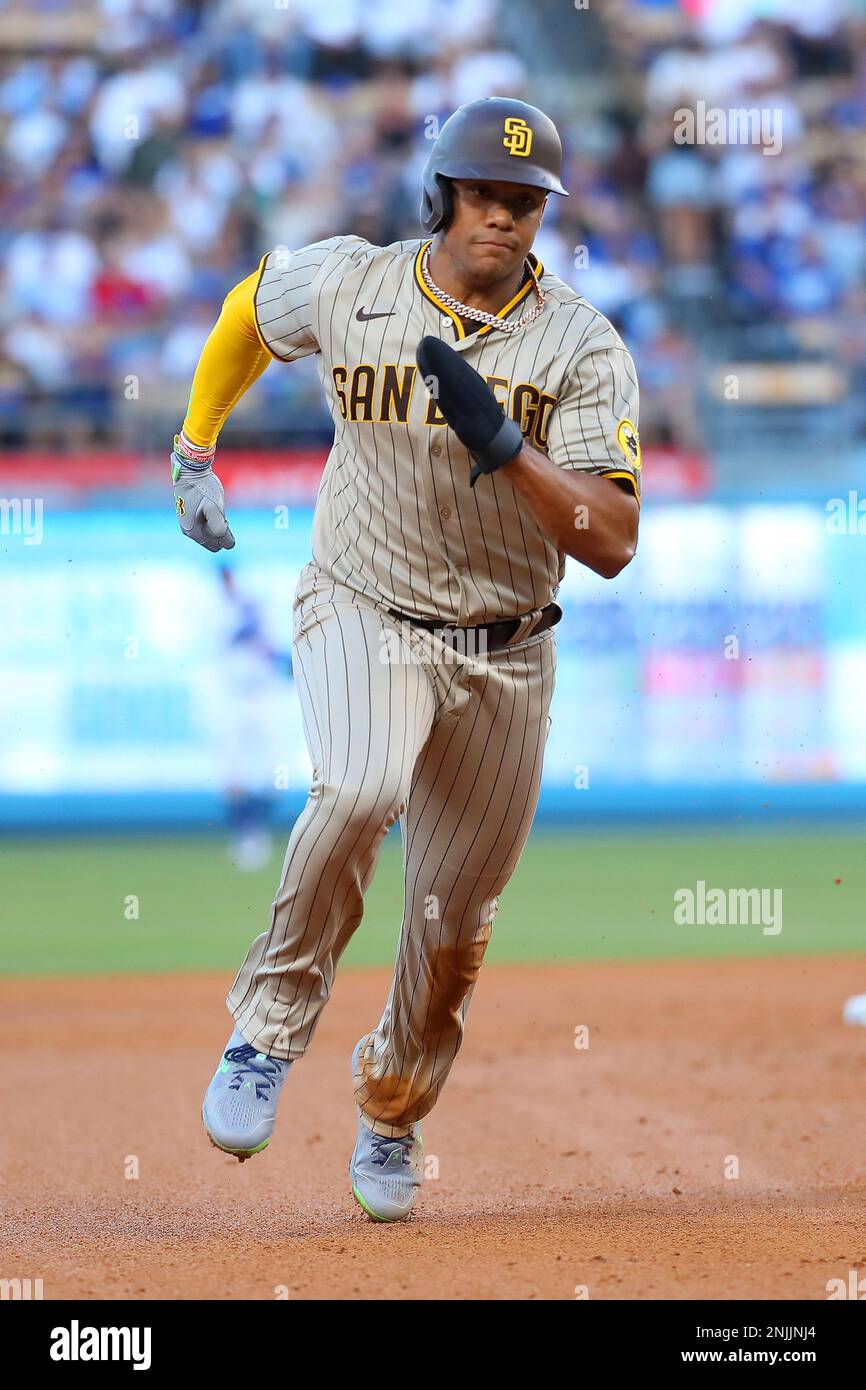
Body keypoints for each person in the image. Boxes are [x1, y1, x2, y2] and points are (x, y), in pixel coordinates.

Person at [172, 98, 641, 1221]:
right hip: (362, 604)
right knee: (358, 786)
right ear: (443, 196)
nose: (507, 219)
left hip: (506, 647)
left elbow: (613, 542)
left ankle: (390, 1109)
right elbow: (250, 310)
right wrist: (195, 443)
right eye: (487, 195)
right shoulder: (354, 282)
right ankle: (267, 1029)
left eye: (526, 203)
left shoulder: (579, 343)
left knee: (451, 925)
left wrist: (507, 450)